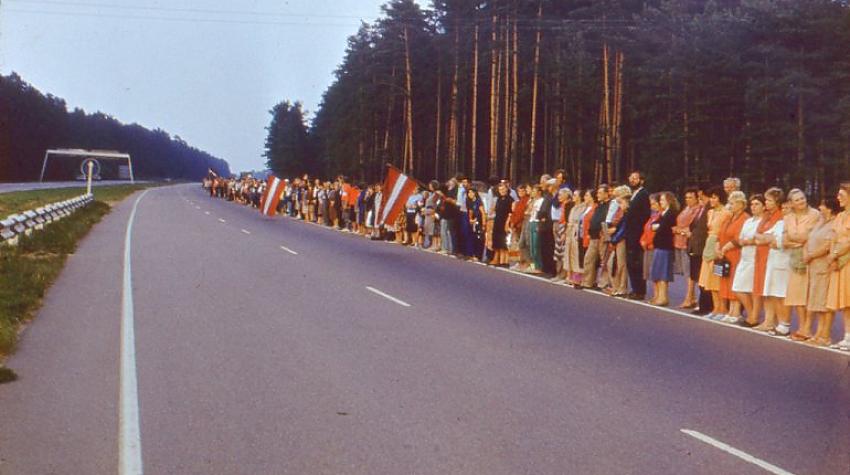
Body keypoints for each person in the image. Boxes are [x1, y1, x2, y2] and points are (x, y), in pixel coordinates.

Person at [783, 189, 821, 341]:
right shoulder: (788, 217)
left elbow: (809, 236)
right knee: (797, 294)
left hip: (809, 258)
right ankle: (802, 326)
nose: (801, 201)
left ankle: (808, 328)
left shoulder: (815, 214)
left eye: (802, 198)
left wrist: (795, 239)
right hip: (794, 258)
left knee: (809, 294)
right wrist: (795, 240)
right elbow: (785, 239)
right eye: (797, 200)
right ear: (791, 203)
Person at [804, 197, 839, 346]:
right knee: (816, 300)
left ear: (830, 208)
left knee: (824, 302)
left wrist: (811, 255)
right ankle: (818, 332)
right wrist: (806, 253)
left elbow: (827, 245)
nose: (819, 207)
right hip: (813, 266)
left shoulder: (834, 223)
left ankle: (825, 334)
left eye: (823, 205)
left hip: (824, 265)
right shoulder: (819, 222)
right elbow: (809, 238)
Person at [754, 187, 789, 334]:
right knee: (765, 289)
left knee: (772, 288)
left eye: (769, 200)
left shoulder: (780, 216)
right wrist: (763, 238)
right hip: (761, 254)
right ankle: (768, 320)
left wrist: (763, 238)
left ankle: (772, 320)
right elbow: (758, 234)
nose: (766, 203)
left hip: (771, 254)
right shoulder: (767, 215)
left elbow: (770, 238)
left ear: (777, 201)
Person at [716, 191, 749, 323]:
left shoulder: (744, 218)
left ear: (741, 204)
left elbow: (738, 237)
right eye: (730, 203)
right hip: (725, 254)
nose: (731, 205)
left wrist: (725, 248)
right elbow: (720, 233)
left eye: (734, 203)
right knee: (726, 280)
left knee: (734, 281)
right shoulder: (729, 217)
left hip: (735, 253)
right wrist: (718, 247)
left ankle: (736, 311)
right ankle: (730, 310)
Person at [733, 194, 766, 327]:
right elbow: (741, 238)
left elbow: (760, 238)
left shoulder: (764, 221)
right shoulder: (749, 221)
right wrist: (745, 241)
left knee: (754, 289)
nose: (753, 207)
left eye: (757, 204)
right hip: (745, 257)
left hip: (756, 257)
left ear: (764, 206)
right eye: (752, 204)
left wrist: (749, 241)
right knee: (738, 288)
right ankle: (751, 313)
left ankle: (754, 317)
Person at [697, 187, 729, 319]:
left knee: (717, 277)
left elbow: (724, 231)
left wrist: (719, 246)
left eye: (715, 197)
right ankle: (715, 308)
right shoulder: (709, 212)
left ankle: (723, 308)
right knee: (708, 279)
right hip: (709, 243)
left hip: (718, 243)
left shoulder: (726, 213)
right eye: (711, 197)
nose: (712, 200)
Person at [827, 182, 850, 351]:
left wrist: (835, 254)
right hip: (839, 261)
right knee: (845, 302)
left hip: (848, 260)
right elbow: (834, 237)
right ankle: (847, 336)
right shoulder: (840, 216)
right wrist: (832, 256)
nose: (838, 198)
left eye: (842, 195)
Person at [649, 192, 679, 306]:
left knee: (663, 273)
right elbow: (654, 225)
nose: (660, 202)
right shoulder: (663, 214)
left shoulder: (671, 214)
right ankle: (659, 296)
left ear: (669, 201)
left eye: (662, 200)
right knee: (658, 272)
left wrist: (658, 227)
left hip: (665, 246)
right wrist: (657, 226)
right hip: (659, 245)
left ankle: (663, 297)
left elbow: (663, 228)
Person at [673, 187, 701, 308]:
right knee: (685, 272)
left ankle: (689, 297)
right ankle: (692, 296)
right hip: (679, 242)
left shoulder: (697, 210)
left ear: (696, 198)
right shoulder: (686, 209)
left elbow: (691, 227)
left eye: (691, 197)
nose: (688, 200)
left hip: (688, 243)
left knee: (689, 272)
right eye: (686, 197)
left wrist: (680, 230)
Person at [625, 171, 651, 300]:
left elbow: (645, 214)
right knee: (630, 262)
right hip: (630, 233)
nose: (633, 180)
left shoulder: (643, 194)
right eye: (631, 178)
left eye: (636, 178)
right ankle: (635, 288)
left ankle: (640, 290)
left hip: (637, 233)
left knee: (636, 263)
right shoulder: (632, 194)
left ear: (641, 180)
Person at [581, 185, 611, 289]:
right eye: (597, 193)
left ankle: (604, 283)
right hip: (593, 236)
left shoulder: (609, 205)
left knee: (604, 260)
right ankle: (587, 281)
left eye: (600, 193)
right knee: (588, 258)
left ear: (607, 194)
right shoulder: (599, 206)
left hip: (601, 235)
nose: (597, 195)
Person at [608, 185, 632, 296]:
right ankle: (616, 286)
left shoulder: (627, 212)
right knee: (613, 263)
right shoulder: (622, 211)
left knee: (621, 264)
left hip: (621, 239)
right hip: (617, 237)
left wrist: (615, 239)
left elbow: (624, 228)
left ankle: (622, 288)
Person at [565, 189, 588, 286]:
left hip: (577, 231)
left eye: (575, 195)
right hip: (570, 231)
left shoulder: (583, 207)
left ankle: (577, 277)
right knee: (568, 253)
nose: (573, 197)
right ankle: (569, 275)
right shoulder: (573, 207)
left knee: (576, 254)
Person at [491, 182, 515, 267]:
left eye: (504, 189)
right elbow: (494, 210)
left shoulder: (510, 199)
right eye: (500, 189)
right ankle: (498, 259)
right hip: (497, 221)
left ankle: (505, 261)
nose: (502, 191)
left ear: (507, 189)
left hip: (505, 222)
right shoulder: (499, 199)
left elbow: (511, 213)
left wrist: (507, 223)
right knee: (497, 241)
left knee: (504, 242)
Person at [527, 185, 545, 273]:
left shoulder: (542, 201)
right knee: (531, 246)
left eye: (534, 191)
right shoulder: (534, 201)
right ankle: (532, 265)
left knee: (536, 246)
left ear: (539, 192)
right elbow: (529, 210)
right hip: (531, 221)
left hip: (537, 222)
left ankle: (538, 266)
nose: (532, 193)